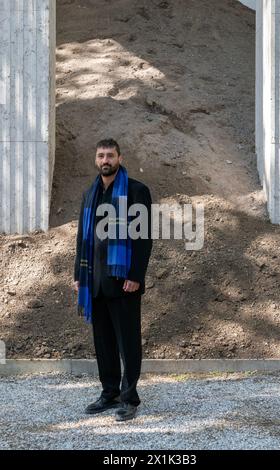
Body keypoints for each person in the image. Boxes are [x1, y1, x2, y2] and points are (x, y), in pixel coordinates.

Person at [73, 138, 153, 422]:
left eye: (110, 155)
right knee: (103, 341)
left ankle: (129, 398)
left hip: (123, 282)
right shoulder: (89, 193)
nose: (105, 160)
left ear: (120, 157)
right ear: (96, 160)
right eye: (100, 155)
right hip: (94, 279)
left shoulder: (136, 191)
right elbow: (83, 239)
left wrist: (135, 276)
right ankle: (109, 393)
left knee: (127, 341)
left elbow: (143, 238)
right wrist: (78, 276)